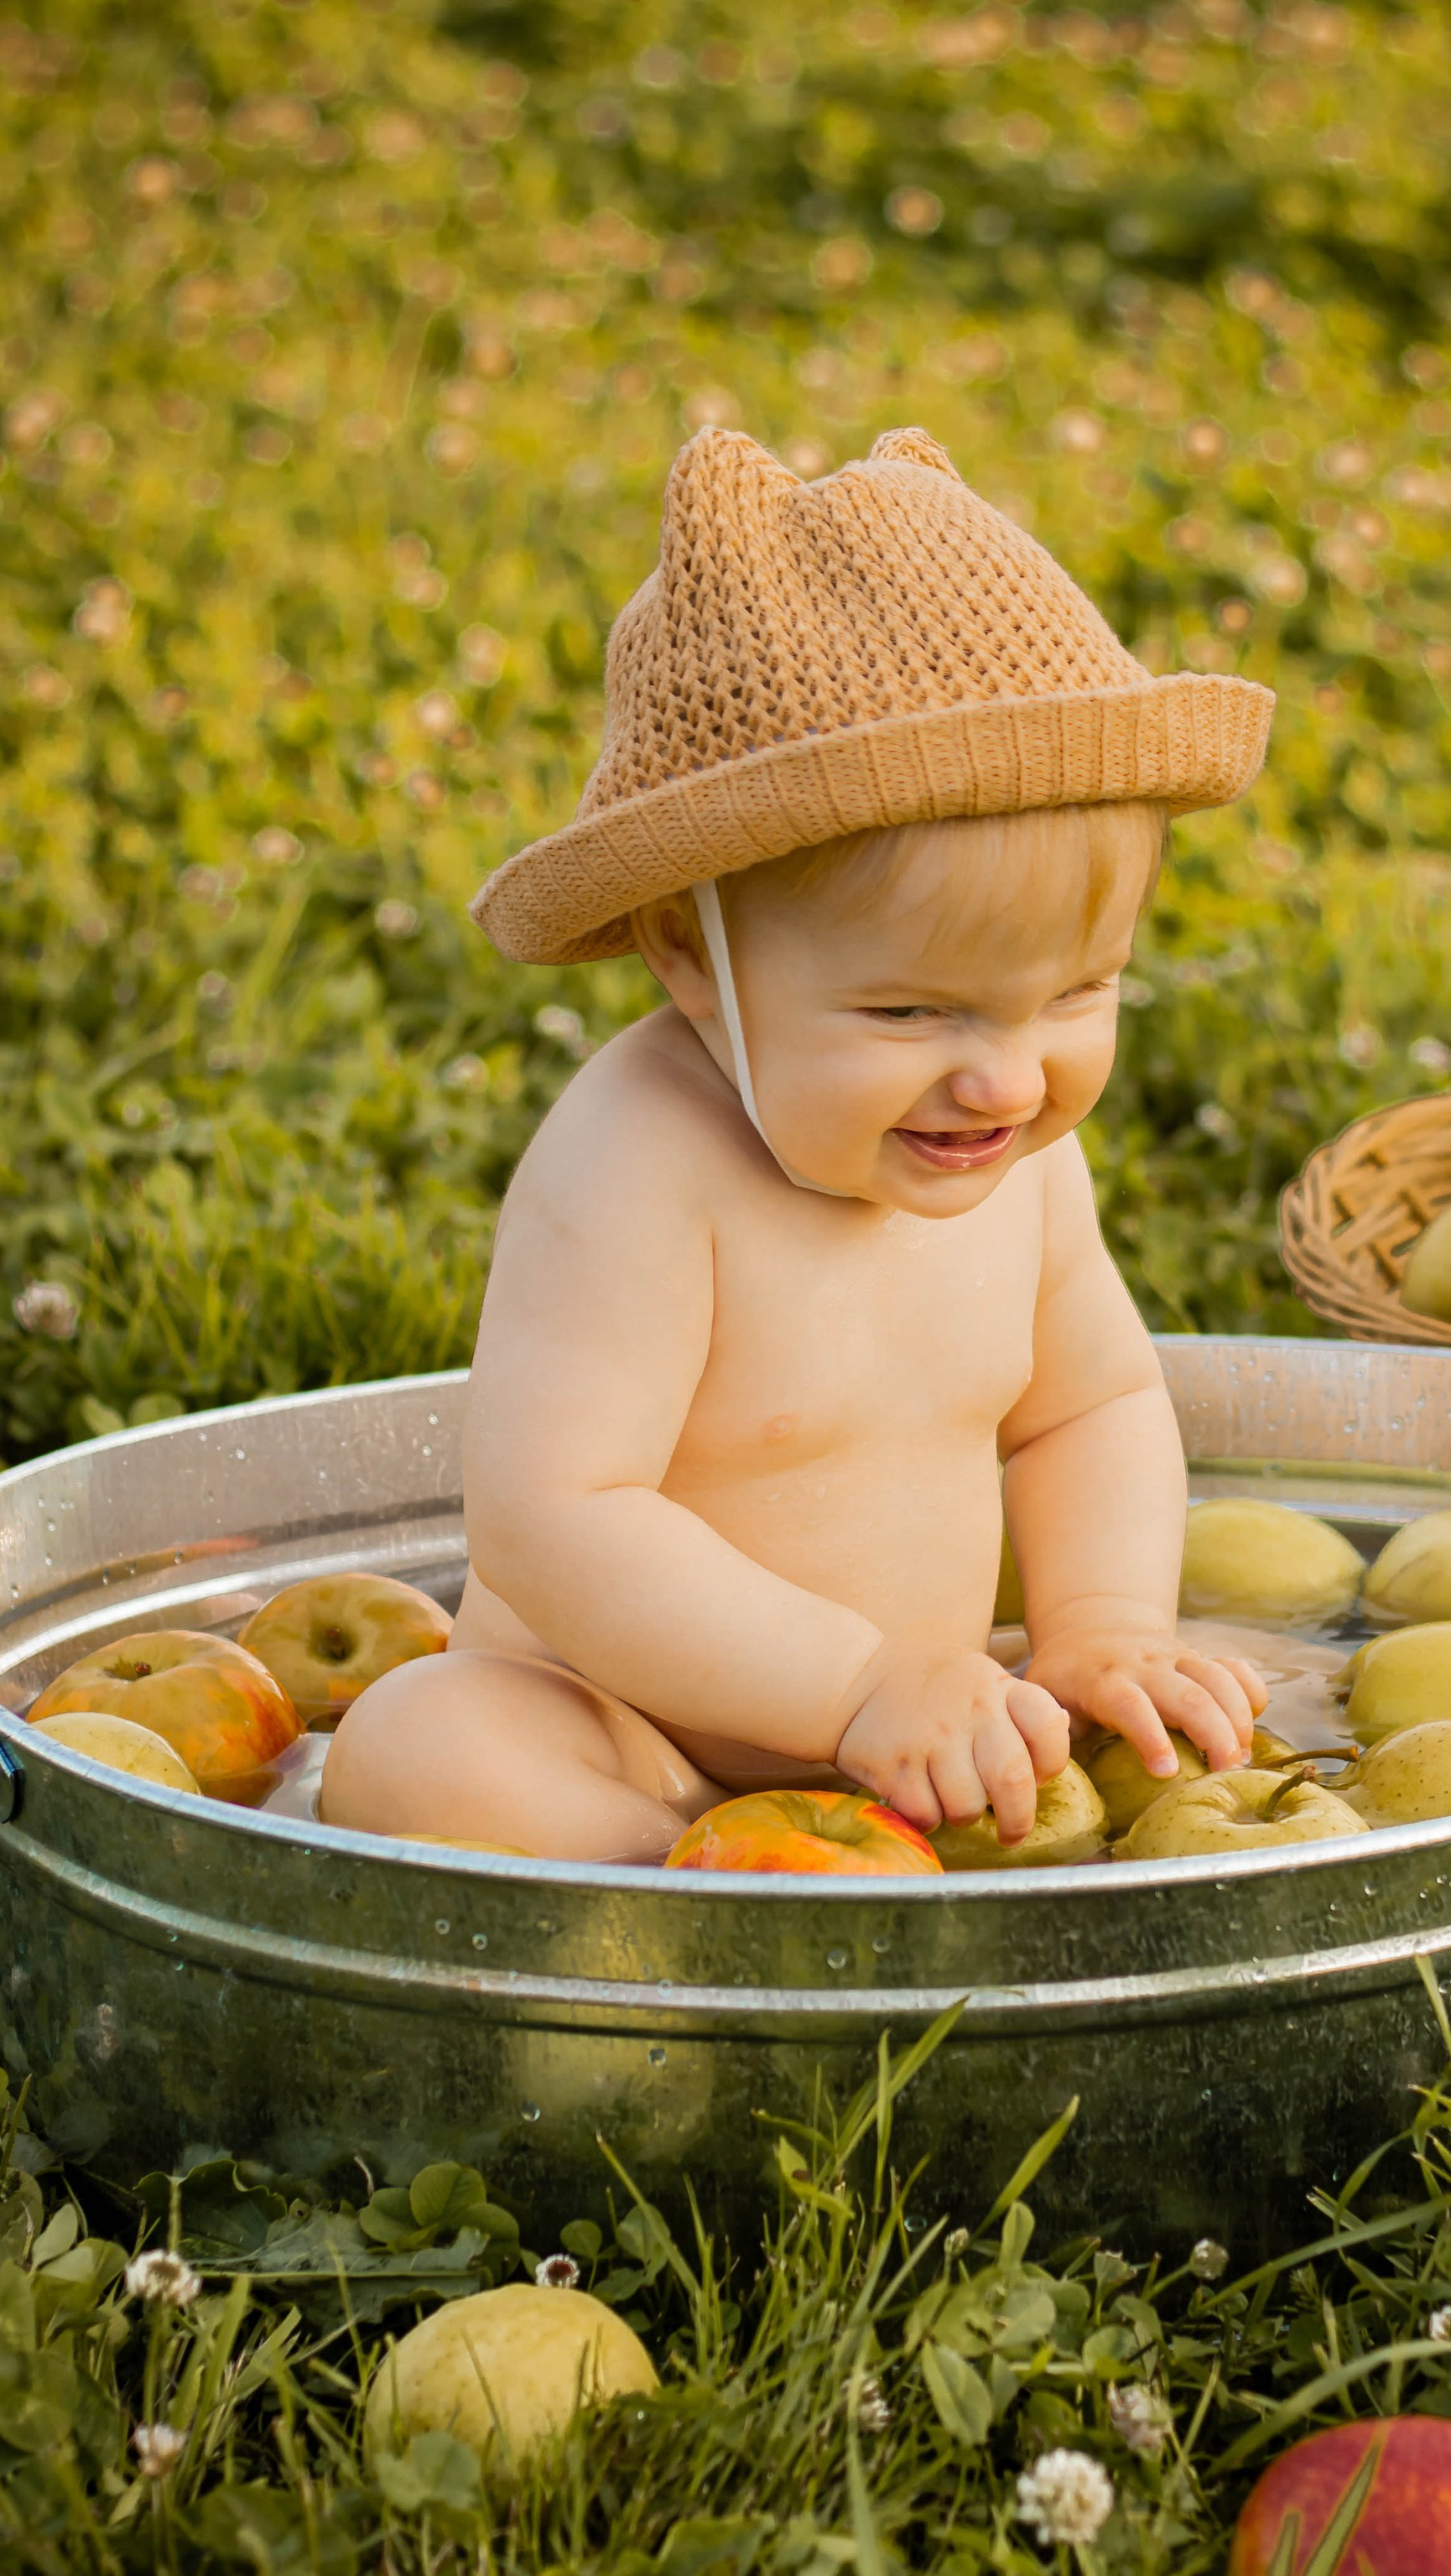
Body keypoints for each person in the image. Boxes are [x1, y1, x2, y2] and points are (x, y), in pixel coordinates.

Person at [322, 426, 1276, 1861]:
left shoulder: (1017, 1160)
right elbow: (551, 1516)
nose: (1006, 1077)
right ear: (684, 955)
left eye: (1081, 990)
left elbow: (1088, 1408)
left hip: (926, 1741)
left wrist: (1098, 1628)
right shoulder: (638, 1170)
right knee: (423, 1750)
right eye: (908, 1009)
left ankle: (836, 1892)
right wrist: (849, 1685)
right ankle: (694, 1894)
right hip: (625, 1731)